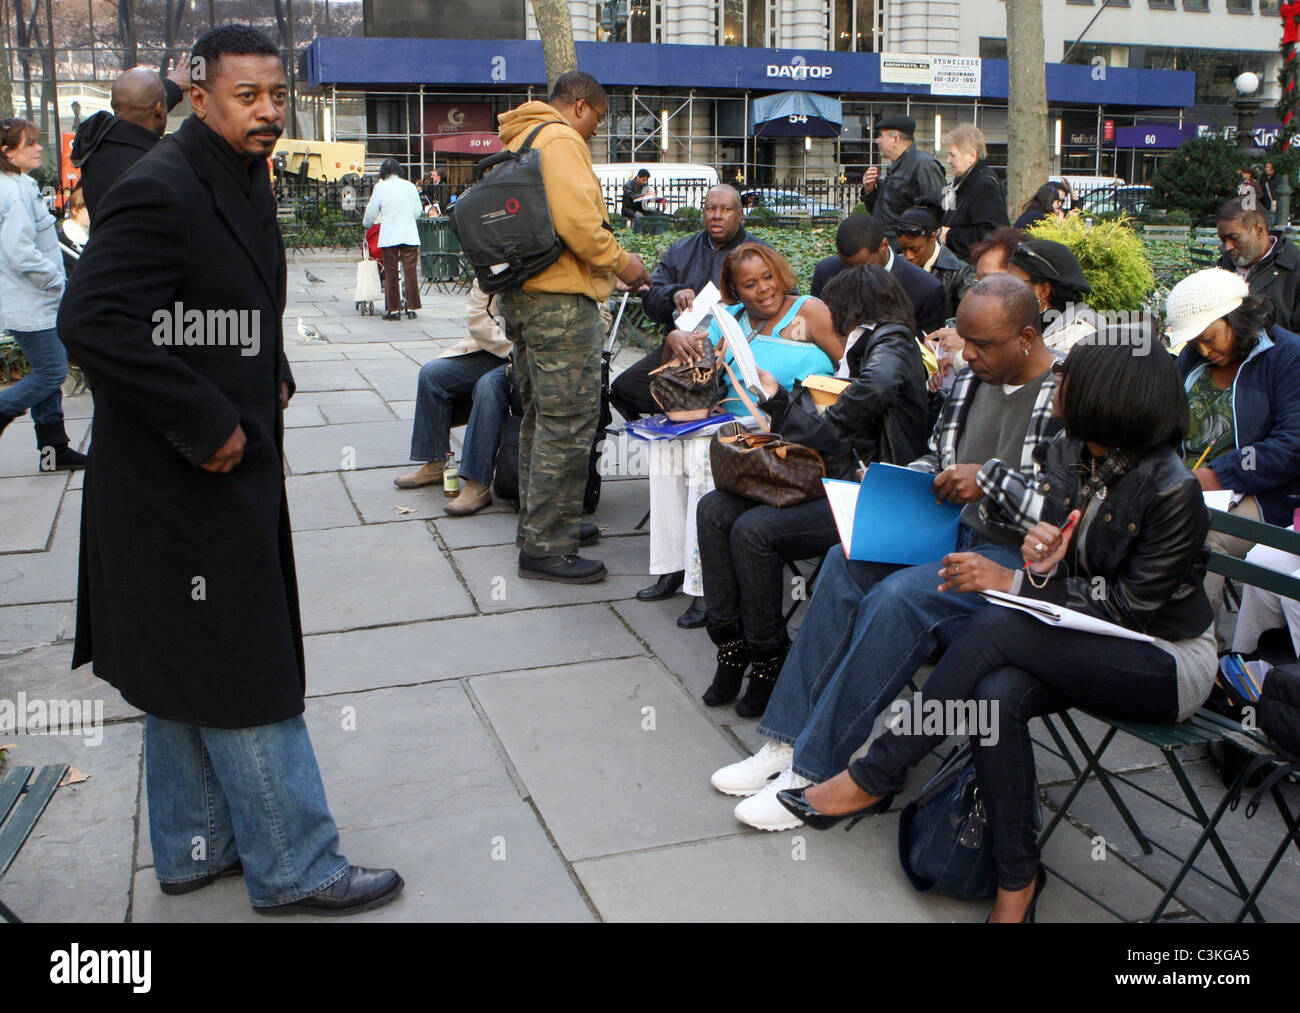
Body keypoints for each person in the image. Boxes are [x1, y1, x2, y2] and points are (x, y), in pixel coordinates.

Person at [57, 24, 402, 915]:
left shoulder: (238, 175)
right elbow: (92, 321)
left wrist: (265, 361)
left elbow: (217, 294)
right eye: (247, 96)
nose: (268, 111)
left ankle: (192, 847)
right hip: (179, 474)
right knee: (242, 659)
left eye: (277, 94)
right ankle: (295, 864)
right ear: (198, 97)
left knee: (184, 656)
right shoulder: (161, 186)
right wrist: (206, 415)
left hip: (213, 460)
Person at [779, 339, 1215, 923]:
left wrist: (1014, 581)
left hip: (1163, 659)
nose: (1055, 386)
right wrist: (1041, 562)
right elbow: (1060, 563)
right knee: (994, 695)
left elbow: (1129, 612)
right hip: (1076, 636)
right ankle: (1017, 882)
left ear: (1109, 397)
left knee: (997, 625)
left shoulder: (1171, 489)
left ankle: (877, 771)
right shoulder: (1071, 451)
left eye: (1067, 379)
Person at [710, 275, 1063, 831]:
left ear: (1025, 336)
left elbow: (1063, 512)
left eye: (983, 344)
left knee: (898, 599)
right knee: (845, 562)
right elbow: (939, 460)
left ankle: (814, 771)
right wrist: (890, 484)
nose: (966, 355)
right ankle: (785, 740)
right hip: (948, 533)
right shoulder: (972, 379)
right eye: (964, 340)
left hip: (1015, 564)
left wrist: (989, 480)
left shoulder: (1064, 391)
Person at [696, 264, 928, 715]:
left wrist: (812, 417)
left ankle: (768, 658)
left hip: (874, 494)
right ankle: (730, 645)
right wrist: (788, 407)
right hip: (834, 474)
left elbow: (868, 396)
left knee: (755, 532)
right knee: (714, 509)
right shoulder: (867, 344)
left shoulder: (892, 338)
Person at [494, 71, 652, 584]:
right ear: (581, 106)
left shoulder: (524, 134)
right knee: (571, 421)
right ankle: (546, 547)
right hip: (560, 302)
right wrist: (622, 263)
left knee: (542, 416)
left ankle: (544, 523)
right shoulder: (560, 137)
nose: (594, 131)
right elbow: (579, 224)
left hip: (526, 296)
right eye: (598, 120)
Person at [642, 244, 841, 628]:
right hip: (724, 421)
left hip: (781, 427)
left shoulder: (808, 310)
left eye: (768, 277)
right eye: (750, 284)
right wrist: (674, 339)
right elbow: (689, 354)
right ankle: (672, 566)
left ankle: (704, 587)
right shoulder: (728, 316)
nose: (764, 289)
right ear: (735, 289)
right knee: (664, 450)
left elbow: (848, 364)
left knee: (704, 455)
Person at [1167, 268, 1300, 632]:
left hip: (1266, 493)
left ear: (1237, 319)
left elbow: (1290, 446)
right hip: (1187, 483)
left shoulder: (1287, 357)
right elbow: (1164, 420)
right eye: (1195, 343)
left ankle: (1198, 652)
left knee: (1202, 536)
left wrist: (1217, 475)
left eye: (1209, 338)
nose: (1204, 350)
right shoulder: (1194, 361)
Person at [610, 184, 767, 421]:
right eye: (710, 208)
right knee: (623, 387)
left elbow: (780, 302)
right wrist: (673, 294)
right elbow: (651, 299)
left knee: (718, 394)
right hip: (680, 349)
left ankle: (704, 422)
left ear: (740, 216)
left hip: (735, 352)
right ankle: (670, 429)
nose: (716, 215)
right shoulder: (681, 250)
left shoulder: (759, 253)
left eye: (725, 209)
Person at [0, 118, 87, 471]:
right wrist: (54, 280)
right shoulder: (14, 192)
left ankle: (54, 450)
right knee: (52, 372)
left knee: (46, 373)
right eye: (29, 144)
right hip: (32, 302)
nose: (38, 148)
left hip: (35, 300)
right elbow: (19, 252)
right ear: (8, 153)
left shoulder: (21, 184)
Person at [394, 279, 511, 507]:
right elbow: (478, 321)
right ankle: (436, 463)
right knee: (432, 374)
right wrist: (510, 349)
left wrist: (521, 353)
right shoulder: (489, 264)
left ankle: (478, 483)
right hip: (497, 347)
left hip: (532, 353)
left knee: (488, 386)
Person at [70, 63, 190, 218]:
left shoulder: (95, 148)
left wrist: (171, 86)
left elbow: (135, 105)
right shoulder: (156, 168)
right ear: (159, 110)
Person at [809, 214, 946, 334]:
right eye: (847, 266)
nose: (854, 274)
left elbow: (930, 354)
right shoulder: (826, 271)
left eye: (863, 266)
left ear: (884, 246)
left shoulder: (926, 289)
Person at [1216, 197, 1300, 332]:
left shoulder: (1294, 269)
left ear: (1259, 230)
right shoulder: (1223, 265)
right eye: (1223, 239)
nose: (1227, 247)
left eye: (1234, 238)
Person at [859, 114, 947, 239]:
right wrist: (870, 190)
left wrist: (913, 245)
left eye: (881, 136)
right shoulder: (894, 167)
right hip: (889, 246)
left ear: (895, 139)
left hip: (906, 250)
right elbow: (882, 213)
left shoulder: (924, 165)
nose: (877, 140)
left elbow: (937, 212)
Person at [1006, 238, 1097, 352]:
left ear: (1043, 291)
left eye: (1012, 283)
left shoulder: (1077, 337)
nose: (1004, 290)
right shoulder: (1026, 324)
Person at [363, 158, 424, 321]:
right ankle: (411, 307)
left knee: (390, 271)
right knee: (410, 271)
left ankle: (394, 309)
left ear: (383, 172)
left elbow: (371, 211)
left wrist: (367, 224)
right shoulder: (410, 186)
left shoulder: (380, 187)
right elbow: (418, 210)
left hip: (390, 234)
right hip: (409, 233)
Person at [936, 123, 1008, 261]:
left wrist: (949, 235)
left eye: (953, 155)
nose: (948, 160)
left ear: (972, 156)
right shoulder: (964, 180)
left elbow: (990, 234)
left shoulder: (984, 185)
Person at [895, 199, 976, 321]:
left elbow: (969, 318)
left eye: (914, 249)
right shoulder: (897, 265)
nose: (908, 256)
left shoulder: (960, 273)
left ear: (933, 237)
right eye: (903, 249)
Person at [57, 186, 91, 277]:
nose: (91, 213)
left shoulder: (94, 237)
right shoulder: (63, 241)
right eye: (85, 209)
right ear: (74, 211)